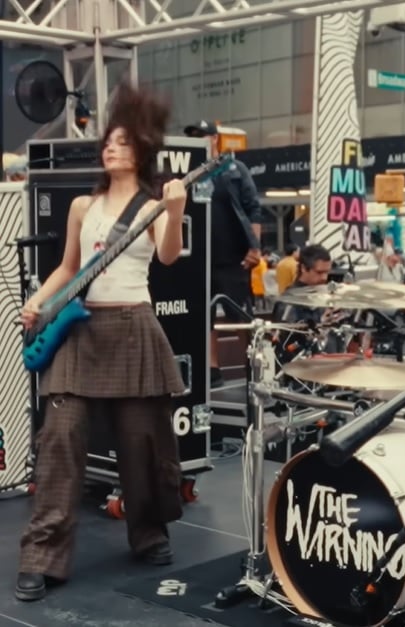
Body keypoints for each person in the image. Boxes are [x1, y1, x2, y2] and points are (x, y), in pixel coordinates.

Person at [16, 83, 188, 602]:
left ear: (142, 152)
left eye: (122, 142)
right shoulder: (80, 206)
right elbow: (68, 269)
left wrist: (175, 209)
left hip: (134, 328)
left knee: (143, 445)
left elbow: (169, 259)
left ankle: (149, 534)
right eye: (107, 142)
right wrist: (38, 302)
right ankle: (42, 557)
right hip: (81, 331)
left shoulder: (155, 205)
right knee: (59, 441)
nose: (110, 148)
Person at [183, 120, 263, 388]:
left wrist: (255, 247)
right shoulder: (184, 171)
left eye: (203, 137)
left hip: (233, 257)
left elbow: (253, 207)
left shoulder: (233, 169)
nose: (199, 141)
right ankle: (211, 368)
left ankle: (254, 366)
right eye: (194, 137)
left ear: (215, 139)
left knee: (240, 315)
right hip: (198, 258)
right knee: (203, 316)